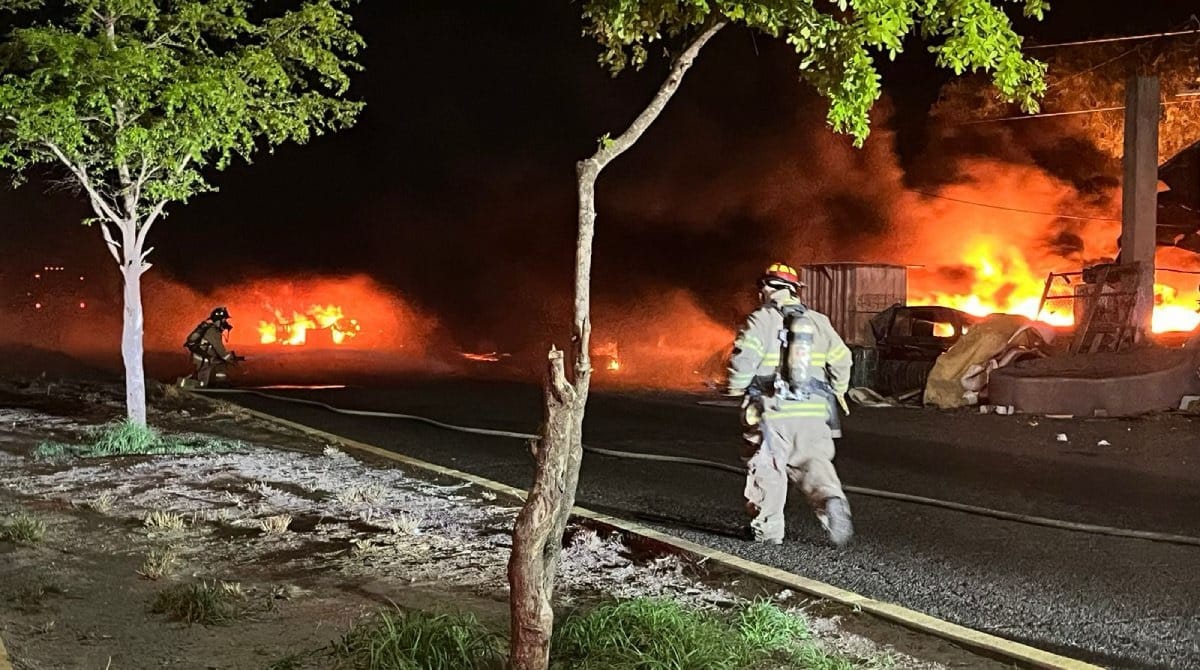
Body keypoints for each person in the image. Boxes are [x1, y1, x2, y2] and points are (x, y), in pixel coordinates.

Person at [725, 262, 854, 546]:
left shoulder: (761, 319)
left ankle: (768, 531)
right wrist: (840, 391)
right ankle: (830, 499)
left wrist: (734, 387)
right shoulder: (819, 321)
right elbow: (843, 358)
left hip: (772, 408)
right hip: (814, 410)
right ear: (795, 290)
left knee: (768, 464)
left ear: (767, 289)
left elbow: (743, 358)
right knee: (812, 460)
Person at [183, 306, 241, 388]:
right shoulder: (213, 331)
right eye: (224, 320)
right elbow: (222, 352)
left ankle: (221, 384)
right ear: (218, 320)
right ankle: (189, 388)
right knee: (202, 384)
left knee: (221, 363)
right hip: (203, 359)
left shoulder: (213, 330)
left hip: (207, 357)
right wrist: (233, 360)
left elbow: (219, 353)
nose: (225, 322)